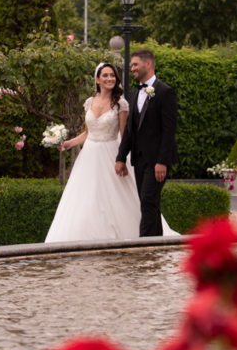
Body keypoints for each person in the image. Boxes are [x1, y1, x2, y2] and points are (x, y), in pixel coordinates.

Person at [45, 63, 177, 243]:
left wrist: (122, 159)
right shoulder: (89, 102)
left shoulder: (121, 104)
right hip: (89, 157)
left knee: (117, 200)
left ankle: (139, 238)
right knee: (85, 199)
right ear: (97, 79)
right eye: (105, 75)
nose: (110, 79)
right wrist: (69, 143)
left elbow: (125, 135)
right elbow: (87, 133)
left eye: (112, 76)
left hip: (111, 154)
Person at [116, 49, 180, 238]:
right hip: (139, 160)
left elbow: (169, 131)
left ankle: (143, 246)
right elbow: (129, 130)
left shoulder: (165, 92)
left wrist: (162, 161)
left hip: (157, 161)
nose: (132, 69)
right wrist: (120, 157)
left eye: (135, 65)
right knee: (150, 203)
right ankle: (156, 246)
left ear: (148, 64)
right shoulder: (133, 95)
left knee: (148, 200)